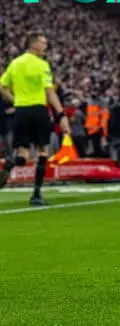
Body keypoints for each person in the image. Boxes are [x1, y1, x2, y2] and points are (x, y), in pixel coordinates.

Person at [0, 32, 71, 205]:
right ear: (33, 44)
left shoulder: (15, 63)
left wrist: (15, 101)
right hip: (39, 110)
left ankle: (11, 163)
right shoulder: (42, 65)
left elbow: (2, 86)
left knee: (23, 153)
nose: (45, 46)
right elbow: (49, 91)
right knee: (42, 152)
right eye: (43, 42)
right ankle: (36, 195)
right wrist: (61, 114)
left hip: (21, 111)